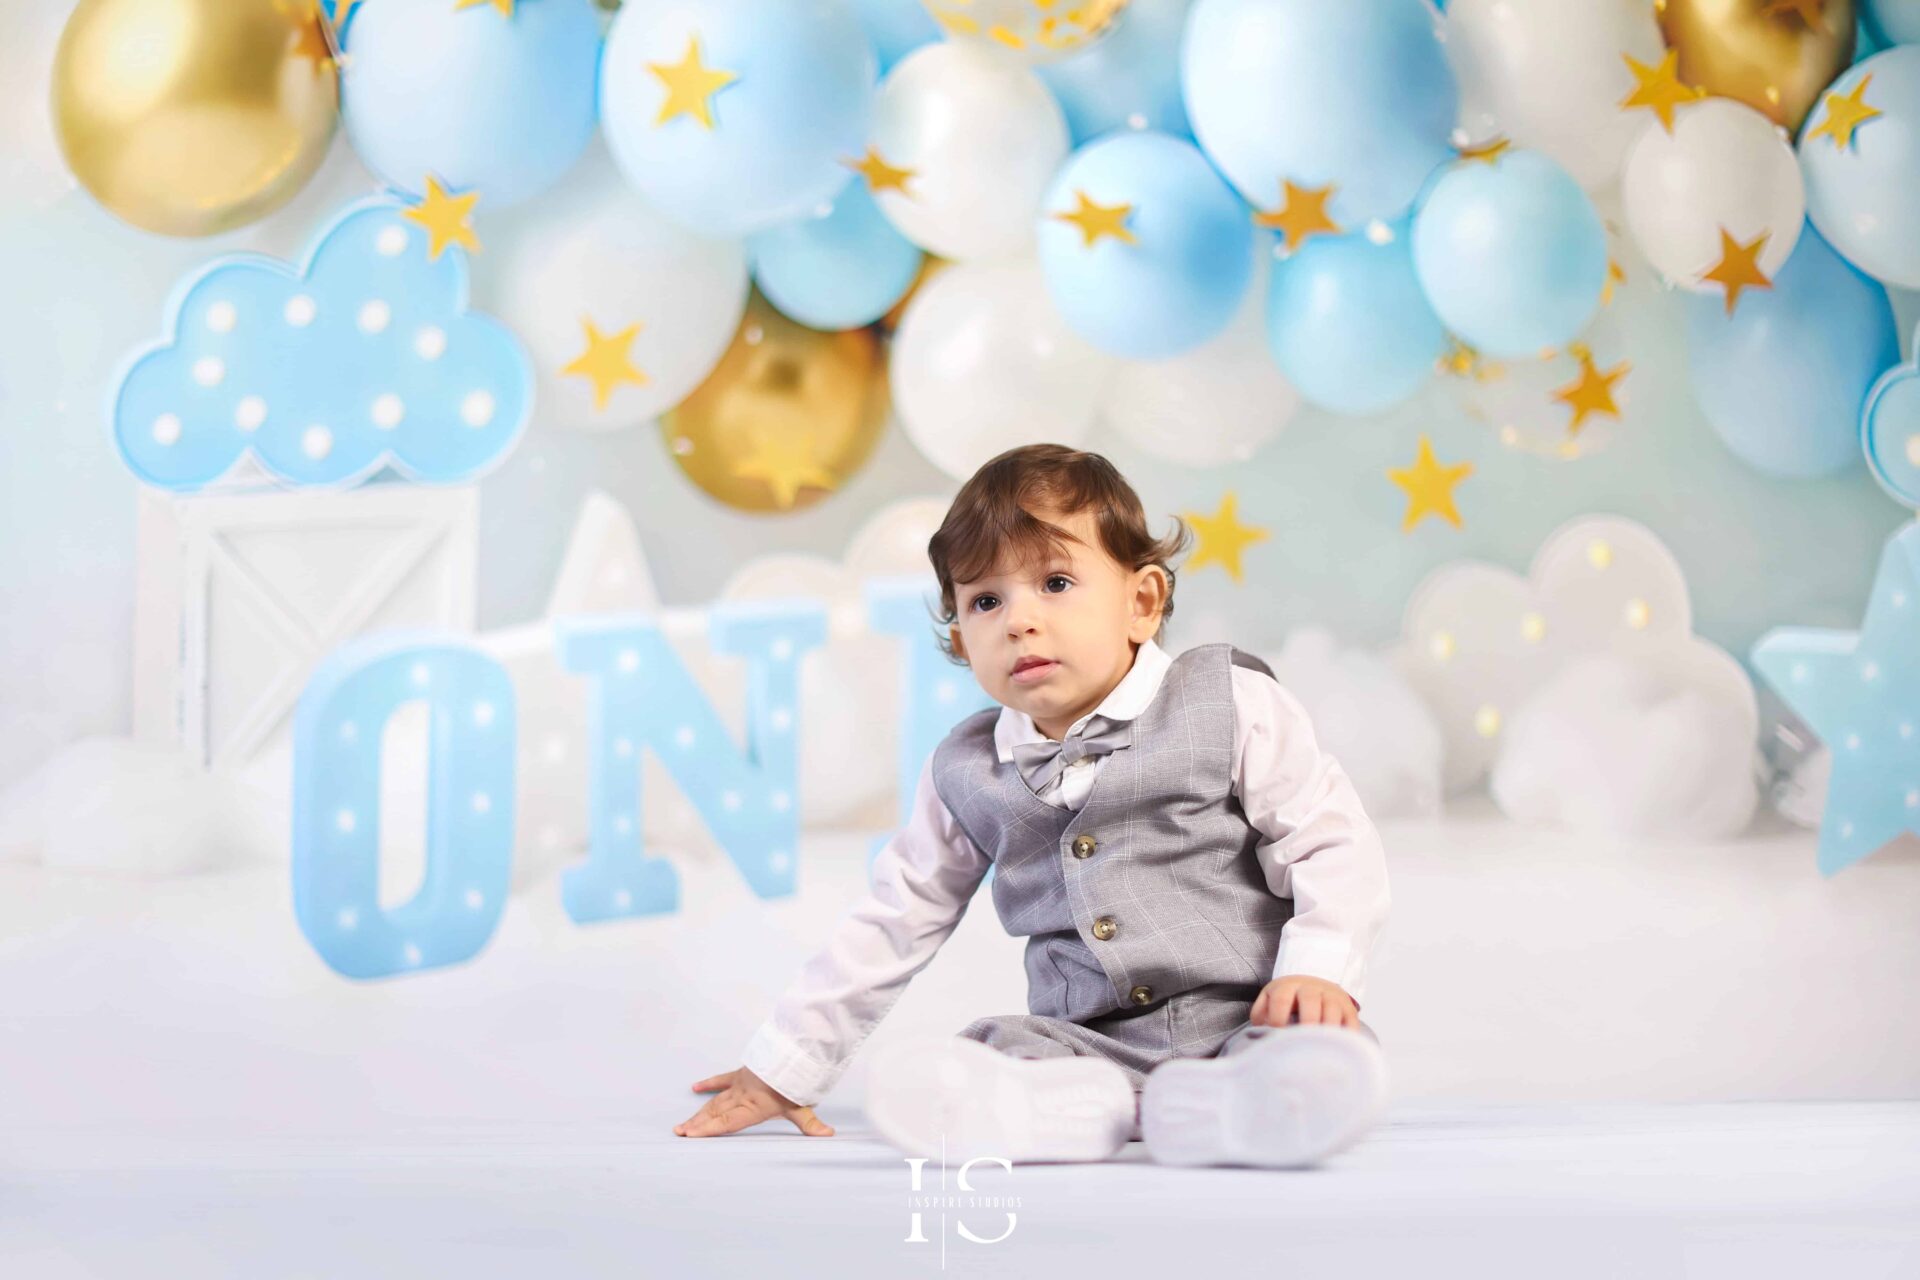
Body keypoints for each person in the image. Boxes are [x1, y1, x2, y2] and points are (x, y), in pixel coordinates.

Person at [673, 443, 1391, 1167]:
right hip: (1086, 1041)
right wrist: (788, 1061)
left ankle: (1241, 1101)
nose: (1018, 620)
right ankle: (1081, 1111)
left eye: (1054, 581)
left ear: (1142, 603)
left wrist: (1319, 970)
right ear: (959, 637)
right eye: (986, 600)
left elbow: (1328, 842)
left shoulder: (1229, 702)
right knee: (995, 1046)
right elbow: (897, 916)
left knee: (1320, 1043)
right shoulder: (967, 769)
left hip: (1247, 1013)